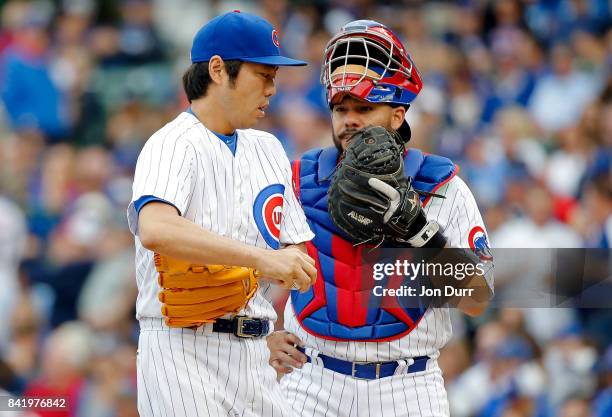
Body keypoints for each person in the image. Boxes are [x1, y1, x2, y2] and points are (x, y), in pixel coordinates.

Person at [267, 20, 494, 417]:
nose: (350, 120)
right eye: (341, 109)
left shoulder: (442, 186)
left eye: (365, 108)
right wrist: (259, 337)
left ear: (397, 115)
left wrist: (421, 233)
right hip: (313, 380)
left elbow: (478, 298)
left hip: (409, 384)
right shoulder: (297, 181)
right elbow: (244, 263)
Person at [127, 11, 318, 417]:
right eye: (262, 75)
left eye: (274, 77)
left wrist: (255, 324)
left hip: (254, 354)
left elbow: (295, 252)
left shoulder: (267, 149)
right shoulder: (172, 144)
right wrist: (260, 259)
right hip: (183, 352)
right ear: (217, 69)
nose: (272, 88)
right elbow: (155, 228)